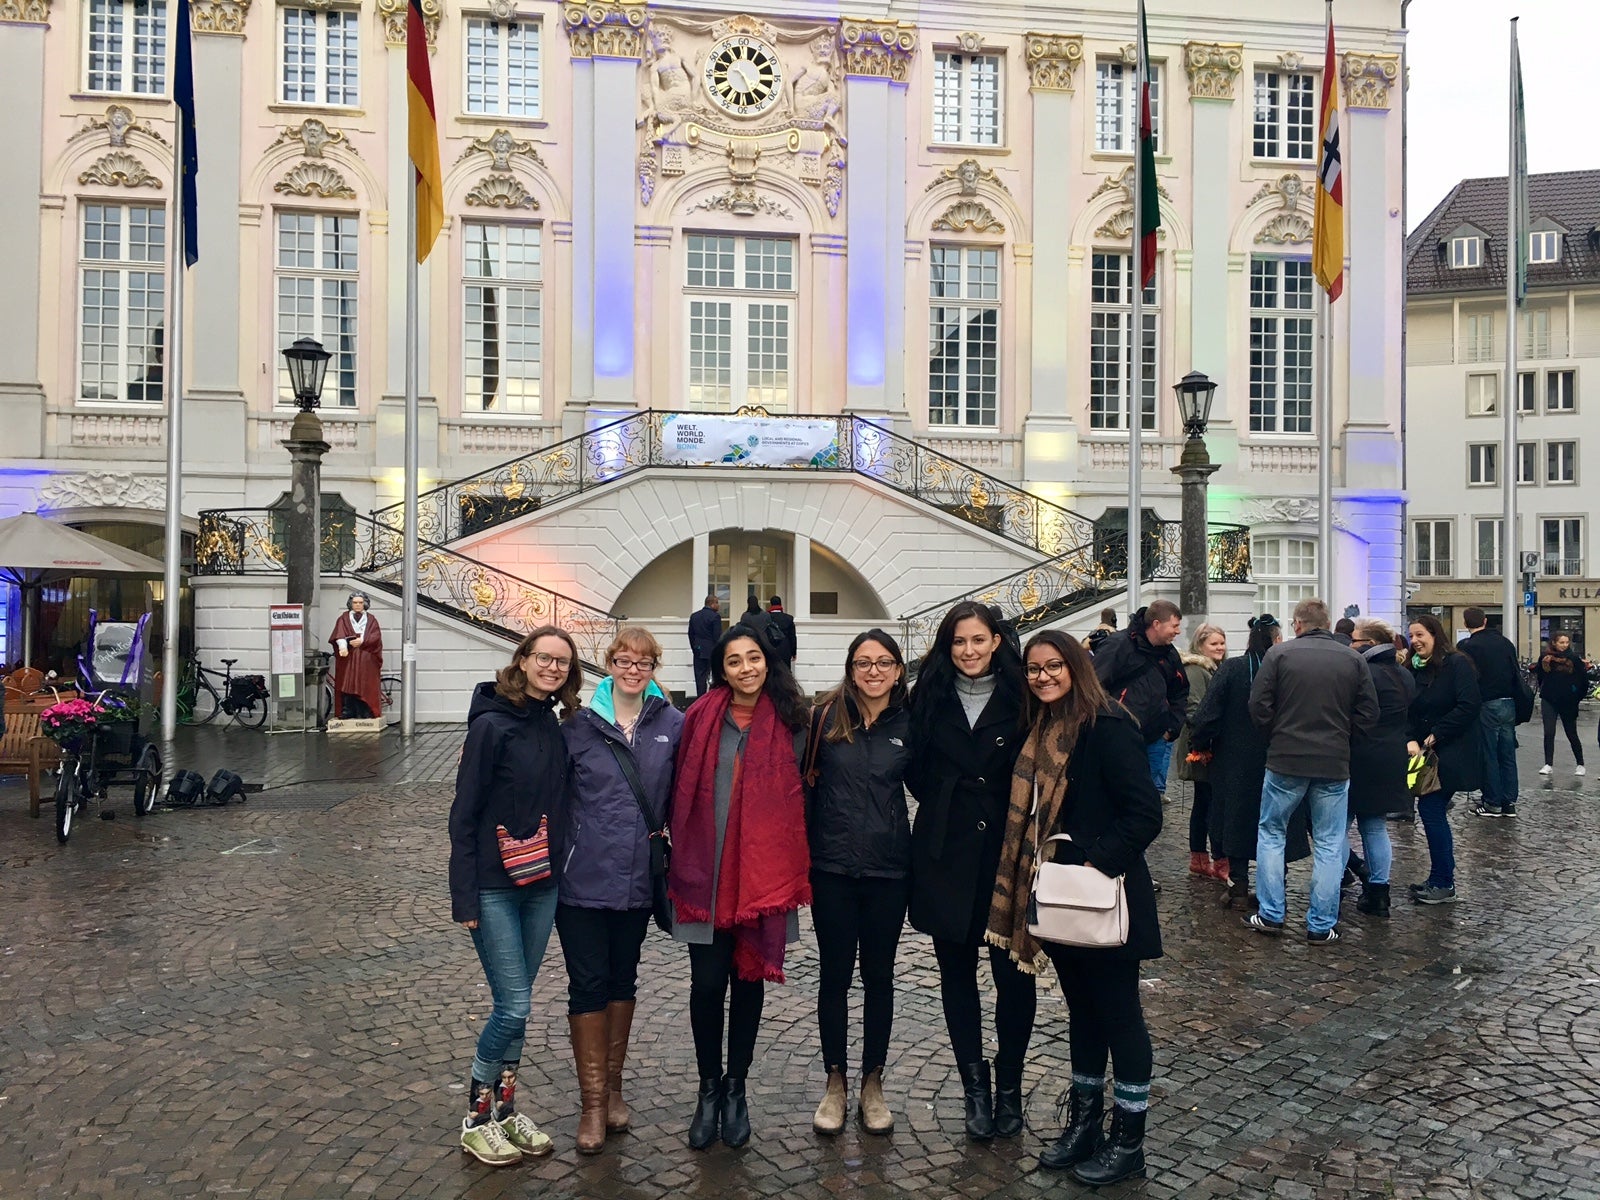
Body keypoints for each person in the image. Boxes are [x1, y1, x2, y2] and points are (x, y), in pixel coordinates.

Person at [988, 630, 1162, 1187]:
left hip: (1102, 896)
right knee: (1083, 1012)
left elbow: (1144, 814)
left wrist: (1095, 864)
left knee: (1120, 1017)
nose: (1042, 676)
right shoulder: (1042, 728)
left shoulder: (1106, 726)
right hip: (1061, 899)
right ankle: (1085, 1125)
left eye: (1053, 666)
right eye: (1034, 669)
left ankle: (1128, 1140)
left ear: (1076, 667)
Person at [669, 623, 811, 1150]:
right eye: (734, 661)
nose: (746, 668)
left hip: (763, 879)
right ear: (721, 668)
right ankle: (708, 1089)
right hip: (704, 878)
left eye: (754, 657)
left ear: (769, 661)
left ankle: (737, 1089)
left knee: (748, 983)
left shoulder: (795, 722)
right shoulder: (699, 718)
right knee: (707, 986)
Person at [448, 625, 582, 1166]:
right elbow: (464, 813)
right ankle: (476, 1118)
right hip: (494, 885)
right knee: (514, 1004)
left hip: (541, 883)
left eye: (563, 663)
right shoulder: (491, 726)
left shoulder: (551, 722)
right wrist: (464, 896)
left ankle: (505, 1113)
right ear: (522, 660)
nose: (553, 668)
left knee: (518, 1007)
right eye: (544, 658)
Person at [905, 601, 1033, 1143]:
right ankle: (974, 1089)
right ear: (946, 646)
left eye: (978, 640)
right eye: (959, 642)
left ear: (996, 641)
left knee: (1012, 977)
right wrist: (946, 805)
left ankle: (1009, 1087)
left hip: (1007, 854)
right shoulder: (928, 697)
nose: (969, 651)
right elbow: (913, 768)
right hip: (947, 852)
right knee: (956, 977)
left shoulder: (1022, 697)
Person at [557, 628, 683, 1154]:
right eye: (623, 661)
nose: (633, 669)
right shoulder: (577, 728)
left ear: (655, 667)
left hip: (637, 879)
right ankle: (591, 1104)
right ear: (608, 664)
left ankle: (613, 1090)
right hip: (581, 879)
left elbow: (687, 793)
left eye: (644, 662)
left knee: (622, 979)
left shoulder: (673, 725)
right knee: (587, 984)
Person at [806, 629, 912, 1137]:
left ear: (898, 670)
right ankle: (835, 1081)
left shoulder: (911, 723)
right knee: (834, 977)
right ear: (850, 669)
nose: (874, 671)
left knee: (880, 978)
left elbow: (936, 789)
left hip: (889, 871)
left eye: (884, 662)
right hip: (831, 869)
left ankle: (872, 1081)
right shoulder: (824, 719)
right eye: (864, 662)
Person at [1247, 599, 1378, 943]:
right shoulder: (1352, 659)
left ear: (1298, 624)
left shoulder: (1279, 656)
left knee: (1272, 834)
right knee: (1330, 843)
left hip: (1286, 758)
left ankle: (1271, 914)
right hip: (1333, 760)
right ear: (1327, 623)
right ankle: (1321, 925)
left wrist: (1275, 735)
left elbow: (1258, 705)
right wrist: (1345, 739)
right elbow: (1369, 713)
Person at [1405, 614, 1483, 905]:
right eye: (1411, 636)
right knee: (1429, 810)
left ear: (1435, 635)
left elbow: (1469, 704)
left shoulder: (1457, 664)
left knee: (1432, 809)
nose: (1415, 641)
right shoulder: (1412, 668)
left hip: (1450, 751)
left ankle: (1443, 882)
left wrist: (1435, 735)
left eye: (1420, 635)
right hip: (1424, 754)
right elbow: (1409, 709)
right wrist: (1410, 737)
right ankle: (1439, 878)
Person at [1346, 619, 1417, 917]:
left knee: (1334, 829)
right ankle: (1379, 892)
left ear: (1370, 645)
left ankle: (1336, 883)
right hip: (1391, 756)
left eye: (1355, 641)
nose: (1350, 645)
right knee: (1374, 826)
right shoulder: (1404, 675)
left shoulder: (1362, 674)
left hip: (1359, 756)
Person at [1092, 601, 1187, 797]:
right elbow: (1094, 686)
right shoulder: (1117, 645)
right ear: (1157, 624)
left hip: (1156, 738)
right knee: (1119, 795)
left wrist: (1171, 729)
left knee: (1149, 798)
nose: (1178, 632)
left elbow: (1180, 691)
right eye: (1174, 626)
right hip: (1120, 737)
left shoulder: (1170, 653)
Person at [1457, 606, 1524, 815]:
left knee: (1489, 754)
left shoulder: (1468, 646)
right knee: (1507, 753)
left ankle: (1492, 801)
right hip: (1508, 702)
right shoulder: (1505, 643)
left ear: (1466, 624)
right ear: (1485, 621)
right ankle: (1509, 801)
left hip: (1485, 704)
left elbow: (1466, 679)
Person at [1172, 624, 1226, 879]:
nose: (1220, 647)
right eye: (1214, 643)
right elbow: (1194, 710)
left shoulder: (1213, 669)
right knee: (1209, 802)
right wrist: (1201, 745)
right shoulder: (1196, 670)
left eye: (1222, 642)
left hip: (1207, 744)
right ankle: (1210, 858)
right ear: (1200, 645)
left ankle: (1202, 858)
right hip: (1201, 746)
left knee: (1205, 802)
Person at [1535, 633, 1589, 779]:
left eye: (1566, 642)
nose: (1564, 645)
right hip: (1549, 699)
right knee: (1549, 732)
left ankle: (1580, 763)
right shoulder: (1545, 659)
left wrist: (1576, 696)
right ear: (1554, 643)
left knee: (1571, 733)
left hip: (1568, 701)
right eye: (1561, 642)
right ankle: (1548, 764)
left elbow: (1584, 681)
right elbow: (1540, 676)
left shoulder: (1574, 659)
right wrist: (1545, 690)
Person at [329, 592, 383, 719]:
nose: (358, 605)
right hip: (349, 658)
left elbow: (376, 636)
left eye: (360, 602)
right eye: (355, 603)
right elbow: (339, 634)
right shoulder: (343, 618)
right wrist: (343, 646)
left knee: (365, 683)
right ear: (350, 604)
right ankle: (348, 710)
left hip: (365, 658)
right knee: (347, 683)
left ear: (365, 604)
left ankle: (365, 709)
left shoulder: (371, 619)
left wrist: (363, 641)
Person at [688, 595, 722, 698]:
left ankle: (701, 699)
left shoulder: (694, 616)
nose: (718, 605)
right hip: (712, 651)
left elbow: (690, 634)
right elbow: (717, 636)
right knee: (714, 677)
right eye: (717, 603)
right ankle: (712, 698)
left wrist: (694, 648)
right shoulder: (715, 617)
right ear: (712, 604)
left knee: (700, 678)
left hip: (698, 650)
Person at [766, 596, 798, 668]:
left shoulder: (766, 618)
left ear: (771, 604)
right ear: (780, 604)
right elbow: (792, 637)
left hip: (771, 648)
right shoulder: (788, 618)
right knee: (785, 671)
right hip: (785, 648)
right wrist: (794, 652)